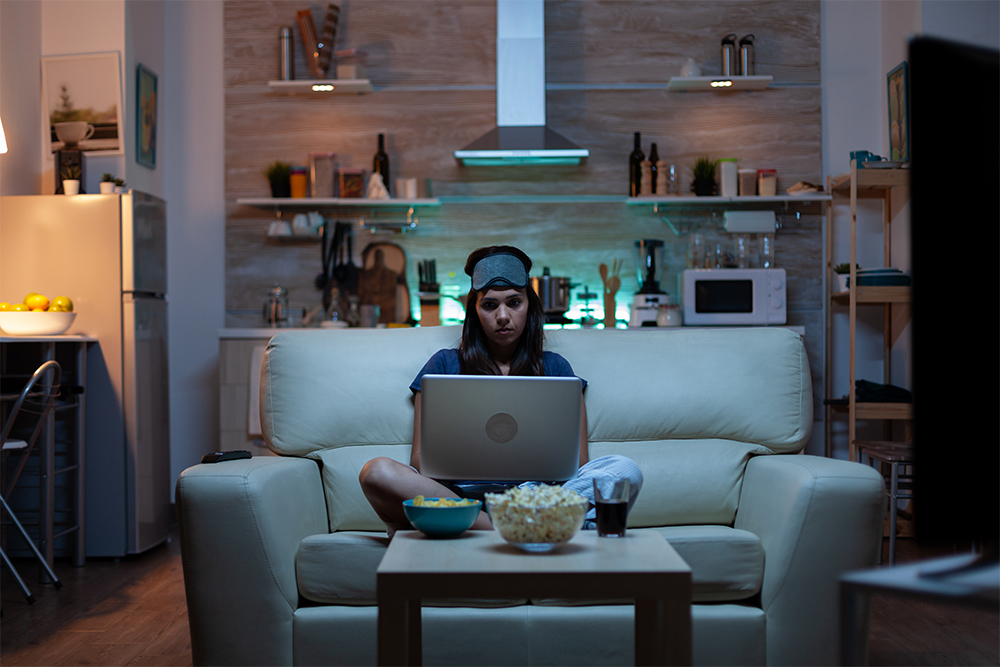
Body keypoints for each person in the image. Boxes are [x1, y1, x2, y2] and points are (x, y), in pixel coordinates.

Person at [358, 245, 643, 536]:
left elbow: (577, 464)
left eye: (514, 303)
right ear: (475, 311)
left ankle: (505, 524)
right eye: (490, 305)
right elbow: (420, 461)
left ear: (529, 306)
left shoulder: (557, 368)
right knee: (377, 472)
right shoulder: (443, 364)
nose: (503, 316)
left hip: (535, 497)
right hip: (459, 499)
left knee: (624, 469)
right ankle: (520, 527)